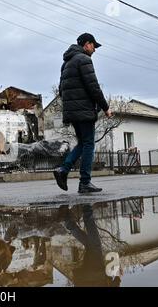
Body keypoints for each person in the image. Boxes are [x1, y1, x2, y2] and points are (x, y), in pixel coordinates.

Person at [54, 33, 113, 194]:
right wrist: (105, 107)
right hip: (84, 111)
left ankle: (63, 170)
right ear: (87, 44)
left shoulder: (65, 64)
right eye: (94, 46)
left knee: (82, 143)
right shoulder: (84, 60)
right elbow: (93, 87)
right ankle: (85, 182)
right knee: (88, 144)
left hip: (72, 111)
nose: (95, 50)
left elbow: (61, 90)